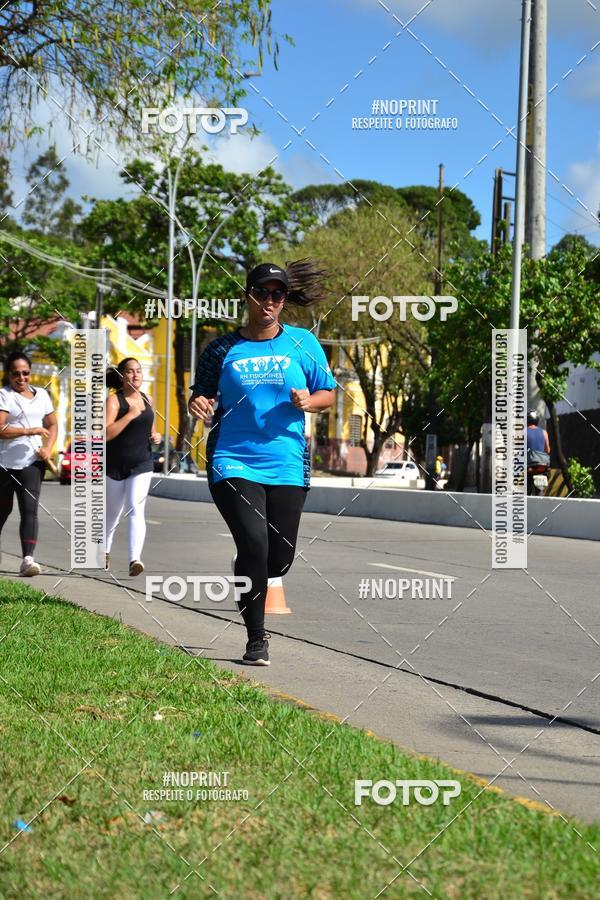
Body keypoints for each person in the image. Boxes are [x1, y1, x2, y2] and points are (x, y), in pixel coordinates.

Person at [188, 260, 336, 666]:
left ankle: (247, 568)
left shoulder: (303, 343)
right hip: (231, 458)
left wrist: (311, 402)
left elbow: (328, 394)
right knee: (254, 541)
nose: (269, 301)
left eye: (278, 294)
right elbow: (199, 395)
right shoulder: (220, 349)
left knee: (278, 558)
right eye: (262, 292)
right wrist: (197, 402)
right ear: (247, 294)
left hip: (287, 461)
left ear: (284, 300)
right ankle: (256, 639)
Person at [0, 351, 57, 576]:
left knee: (29, 510)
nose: (21, 378)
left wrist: (48, 448)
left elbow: (52, 424)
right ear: (8, 374)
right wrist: (29, 430)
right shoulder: (4, 395)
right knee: (2, 510)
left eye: (25, 373)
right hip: (4, 464)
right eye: (16, 374)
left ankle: (27, 560)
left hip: (32, 464)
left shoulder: (42, 395)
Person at [105, 357, 161, 575]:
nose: (135, 375)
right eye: (129, 371)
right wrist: (128, 415)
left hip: (142, 463)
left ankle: (134, 559)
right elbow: (106, 433)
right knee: (112, 514)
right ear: (121, 376)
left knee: (136, 508)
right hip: (115, 465)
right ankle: (104, 551)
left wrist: (155, 437)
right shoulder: (114, 401)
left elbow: (151, 429)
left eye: (138, 371)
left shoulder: (148, 399)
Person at [526, 409, 551, 496]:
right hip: (543, 466)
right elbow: (548, 450)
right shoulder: (544, 432)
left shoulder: (523, 432)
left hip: (530, 465)